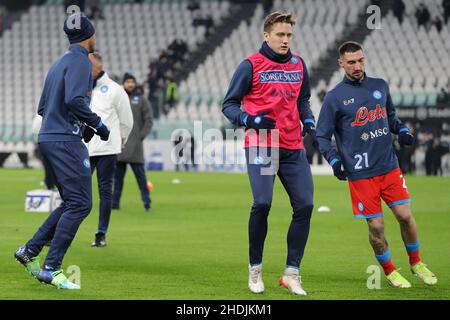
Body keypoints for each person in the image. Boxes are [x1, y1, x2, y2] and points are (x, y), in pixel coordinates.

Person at [316, 41, 437, 288]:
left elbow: (391, 117)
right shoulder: (335, 97)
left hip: (388, 166)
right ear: (341, 63)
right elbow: (321, 135)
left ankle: (416, 262)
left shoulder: (379, 86)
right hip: (360, 173)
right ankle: (390, 270)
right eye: (351, 62)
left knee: (405, 216)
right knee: (377, 225)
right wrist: (334, 160)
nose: (357, 66)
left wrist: (402, 130)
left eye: (361, 60)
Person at [222, 11, 317, 295]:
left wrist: (308, 119)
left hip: (292, 147)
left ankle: (292, 272)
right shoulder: (250, 65)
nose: (286, 40)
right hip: (262, 145)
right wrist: (251, 120)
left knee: (305, 206)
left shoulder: (299, 65)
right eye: (280, 35)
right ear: (266, 35)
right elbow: (229, 105)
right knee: (262, 203)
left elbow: (303, 100)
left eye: (289, 35)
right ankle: (255, 268)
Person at [14, 14, 110, 289]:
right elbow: (74, 100)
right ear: (89, 35)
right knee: (81, 204)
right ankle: (51, 267)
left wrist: (79, 126)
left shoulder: (59, 63)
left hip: (49, 136)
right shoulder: (81, 61)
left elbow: (44, 108)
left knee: (71, 202)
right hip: (64, 140)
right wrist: (98, 125)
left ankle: (30, 251)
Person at [86, 52, 133, 247]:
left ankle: (100, 234)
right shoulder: (81, 87)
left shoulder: (114, 89)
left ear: (97, 67)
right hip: (85, 148)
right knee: (75, 190)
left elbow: (127, 120)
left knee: (105, 191)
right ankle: (60, 231)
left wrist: (120, 141)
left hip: (107, 149)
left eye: (87, 66)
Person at [112, 73, 153, 211]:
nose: (130, 84)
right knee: (117, 179)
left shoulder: (141, 100)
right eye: (127, 81)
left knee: (141, 178)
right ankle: (114, 204)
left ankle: (147, 202)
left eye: (132, 82)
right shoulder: (118, 99)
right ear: (123, 83)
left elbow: (149, 120)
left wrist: (140, 136)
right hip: (120, 146)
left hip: (136, 147)